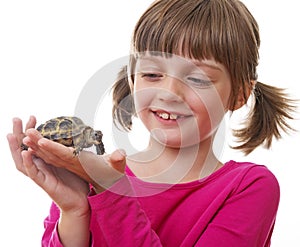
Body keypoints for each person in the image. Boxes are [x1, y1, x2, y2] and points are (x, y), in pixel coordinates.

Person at [7, 0, 296, 246]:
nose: (169, 93)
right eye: (152, 74)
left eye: (197, 79)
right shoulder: (87, 174)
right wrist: (73, 210)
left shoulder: (249, 187)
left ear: (240, 93)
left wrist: (112, 190)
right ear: (132, 79)